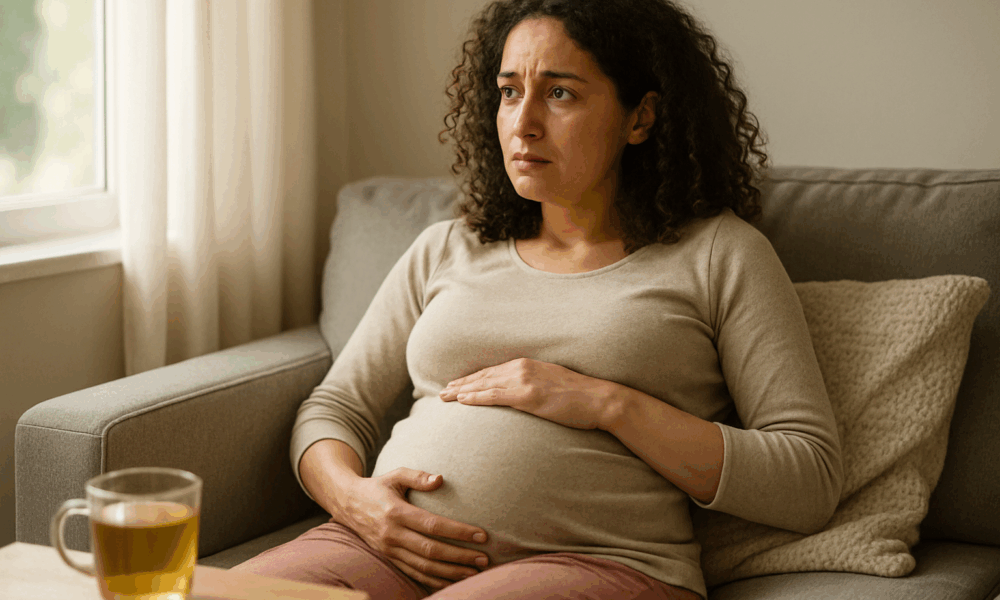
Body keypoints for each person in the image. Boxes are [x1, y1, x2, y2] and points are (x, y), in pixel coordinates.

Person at [230, 1, 844, 598]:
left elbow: (808, 477)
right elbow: (335, 407)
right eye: (507, 92)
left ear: (641, 118)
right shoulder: (449, 246)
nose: (522, 122)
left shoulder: (719, 254)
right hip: (379, 547)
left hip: (602, 565)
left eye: (560, 93)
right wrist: (354, 501)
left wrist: (604, 404)